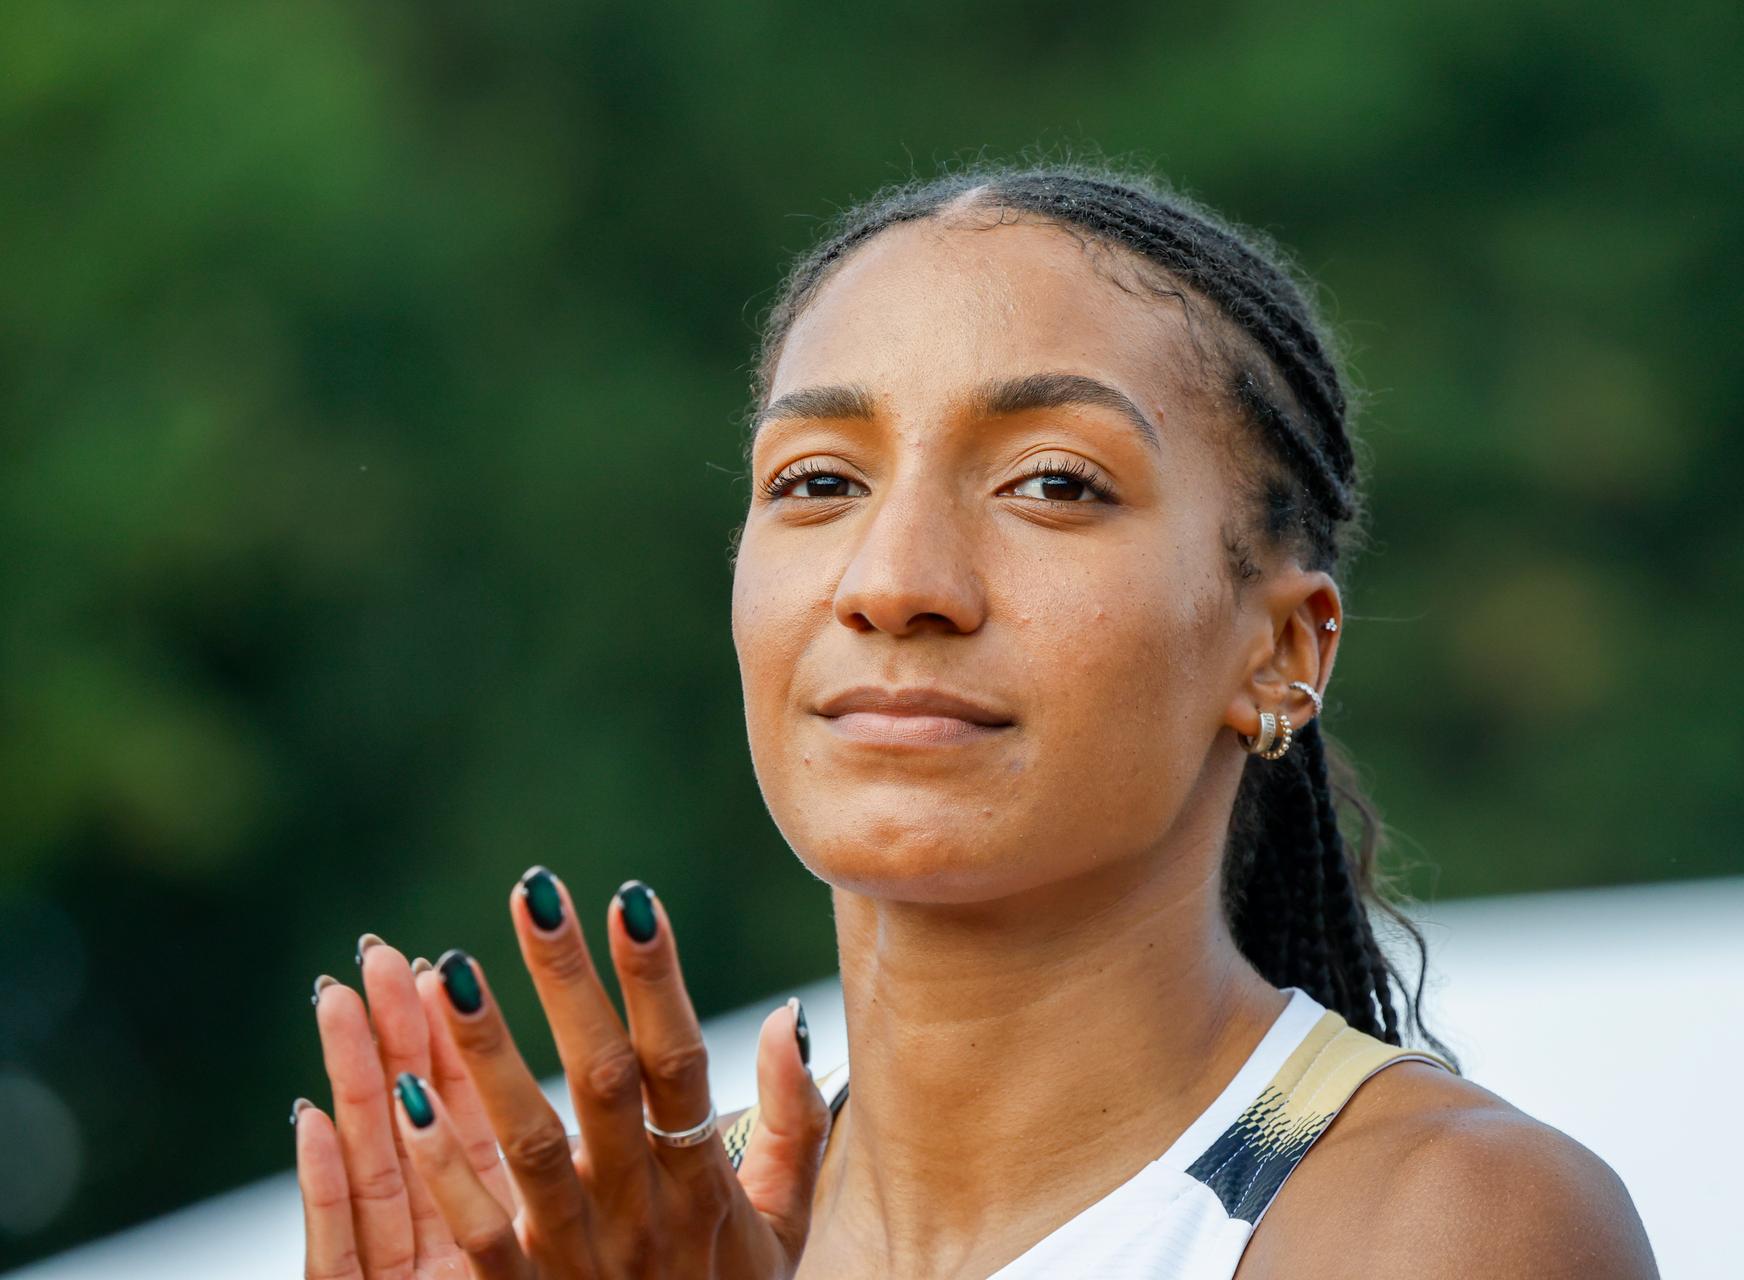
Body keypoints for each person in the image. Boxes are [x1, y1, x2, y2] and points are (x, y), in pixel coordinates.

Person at [293, 161, 1659, 1279]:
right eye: (819, 482)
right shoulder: (622, 1248)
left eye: (1055, 485)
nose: (895, 583)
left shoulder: (1443, 1223)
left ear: (1281, 649)